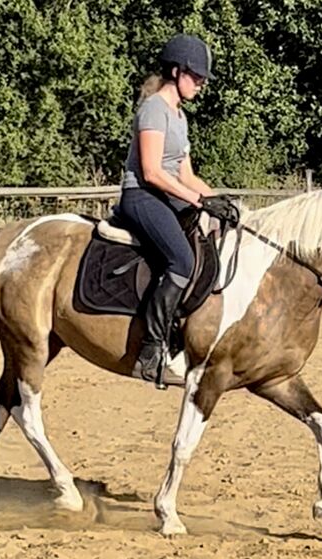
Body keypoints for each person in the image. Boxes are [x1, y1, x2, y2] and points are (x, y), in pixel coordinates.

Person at [119, 34, 215, 387]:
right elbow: (152, 171)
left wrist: (220, 201)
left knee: (211, 239)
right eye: (196, 76)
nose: (202, 83)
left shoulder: (179, 116)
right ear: (176, 72)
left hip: (165, 194)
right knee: (182, 261)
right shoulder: (154, 109)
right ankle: (151, 350)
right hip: (142, 196)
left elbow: (186, 174)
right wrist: (197, 201)